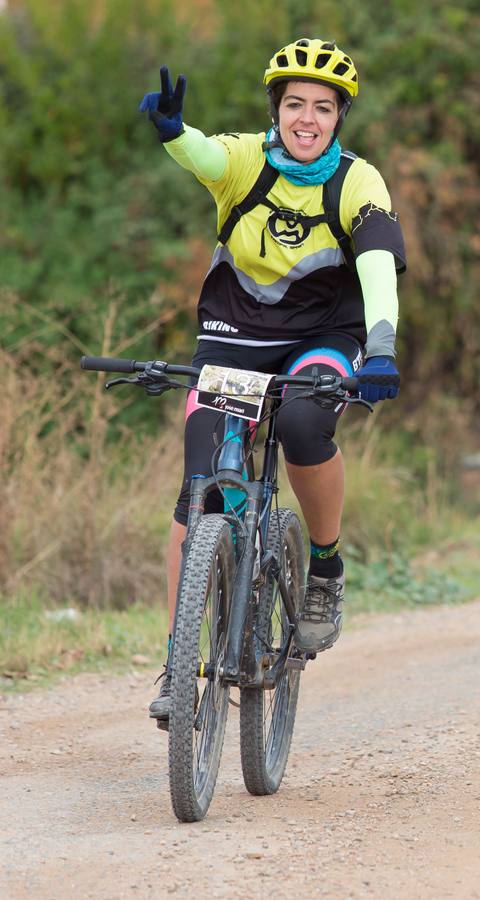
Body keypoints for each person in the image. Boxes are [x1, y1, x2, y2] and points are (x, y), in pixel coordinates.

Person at [138, 39, 406, 721]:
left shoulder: (357, 181)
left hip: (323, 338)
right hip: (233, 337)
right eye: (295, 105)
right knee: (199, 490)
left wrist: (380, 348)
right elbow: (203, 153)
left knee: (305, 423)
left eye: (322, 107)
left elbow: (376, 263)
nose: (307, 118)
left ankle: (324, 566)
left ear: (339, 117)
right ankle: (177, 663)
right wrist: (173, 132)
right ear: (276, 110)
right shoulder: (245, 162)